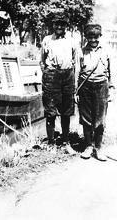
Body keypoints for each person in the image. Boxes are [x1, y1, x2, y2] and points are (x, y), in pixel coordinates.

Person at [77, 24, 116, 161]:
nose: (93, 39)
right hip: (85, 87)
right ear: (86, 37)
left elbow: (113, 71)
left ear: (100, 36)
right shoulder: (81, 51)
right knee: (86, 118)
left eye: (95, 37)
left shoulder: (107, 50)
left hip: (101, 87)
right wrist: (76, 91)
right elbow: (77, 71)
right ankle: (88, 146)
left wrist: (112, 89)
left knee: (100, 120)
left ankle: (98, 148)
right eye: (90, 37)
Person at [40, 12, 78, 155]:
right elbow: (42, 60)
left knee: (66, 111)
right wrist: (48, 73)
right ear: (53, 25)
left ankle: (66, 142)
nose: (59, 26)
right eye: (57, 23)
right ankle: (51, 143)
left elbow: (75, 60)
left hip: (67, 75)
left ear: (66, 26)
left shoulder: (72, 41)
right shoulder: (47, 40)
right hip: (51, 75)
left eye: (62, 24)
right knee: (50, 111)